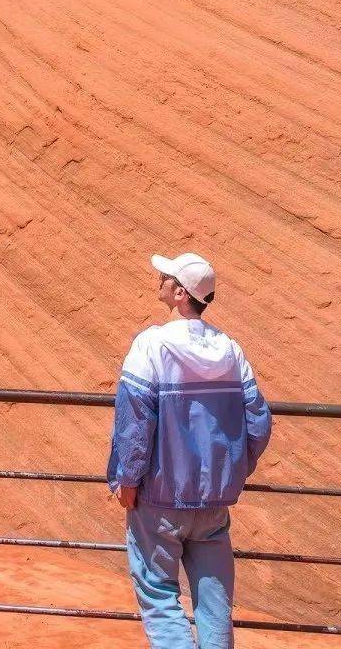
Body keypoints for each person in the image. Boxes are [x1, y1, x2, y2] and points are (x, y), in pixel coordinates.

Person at [107, 252, 272, 649]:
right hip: (213, 502)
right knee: (215, 604)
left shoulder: (152, 345)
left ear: (180, 293)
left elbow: (134, 420)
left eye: (165, 277)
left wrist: (127, 478)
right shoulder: (230, 350)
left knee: (159, 595)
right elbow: (259, 421)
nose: (159, 280)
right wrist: (232, 470)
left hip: (159, 499)